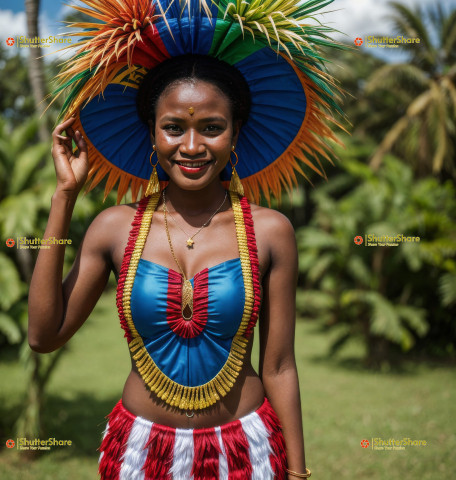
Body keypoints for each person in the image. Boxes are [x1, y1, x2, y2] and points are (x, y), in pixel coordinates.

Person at [28, 0, 344, 478]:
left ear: (235, 135)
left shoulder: (270, 231)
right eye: (174, 128)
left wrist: (297, 474)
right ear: (153, 135)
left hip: (247, 450)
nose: (192, 147)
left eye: (212, 128)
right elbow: (42, 335)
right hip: (141, 451)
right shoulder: (114, 228)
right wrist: (64, 197)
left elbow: (279, 367)